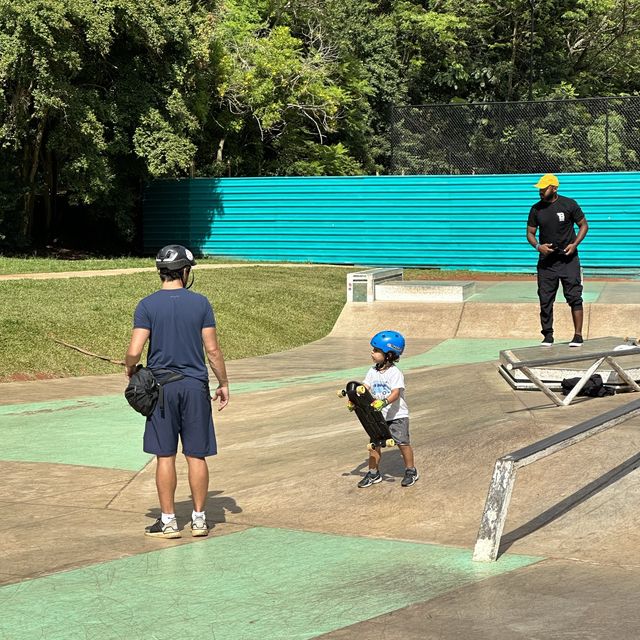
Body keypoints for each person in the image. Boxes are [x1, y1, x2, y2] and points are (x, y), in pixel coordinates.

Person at [125, 244, 229, 539]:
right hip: (195, 389)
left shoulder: (147, 305)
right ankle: (199, 520)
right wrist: (223, 383)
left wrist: (130, 369)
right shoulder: (200, 304)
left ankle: (168, 521)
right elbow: (212, 350)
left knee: (165, 456)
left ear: (161, 272)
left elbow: (134, 350)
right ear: (185, 271)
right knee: (196, 455)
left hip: (162, 391)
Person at [526, 173, 589, 347]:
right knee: (545, 298)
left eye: (544, 188)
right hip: (547, 263)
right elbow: (530, 233)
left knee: (574, 296)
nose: (540, 191)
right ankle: (548, 335)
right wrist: (539, 247)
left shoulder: (569, 204)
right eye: (539, 188)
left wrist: (575, 244)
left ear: (554, 188)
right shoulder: (536, 209)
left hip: (568, 260)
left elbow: (584, 225)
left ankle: (577, 335)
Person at [354, 330, 419, 488]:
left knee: (402, 443)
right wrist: (355, 394)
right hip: (379, 417)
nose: (372, 352)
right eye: (373, 349)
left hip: (397, 416)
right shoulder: (372, 371)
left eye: (376, 350)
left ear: (389, 354)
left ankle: (411, 470)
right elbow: (366, 387)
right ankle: (373, 473)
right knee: (374, 444)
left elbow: (396, 393)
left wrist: (383, 402)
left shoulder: (394, 373)